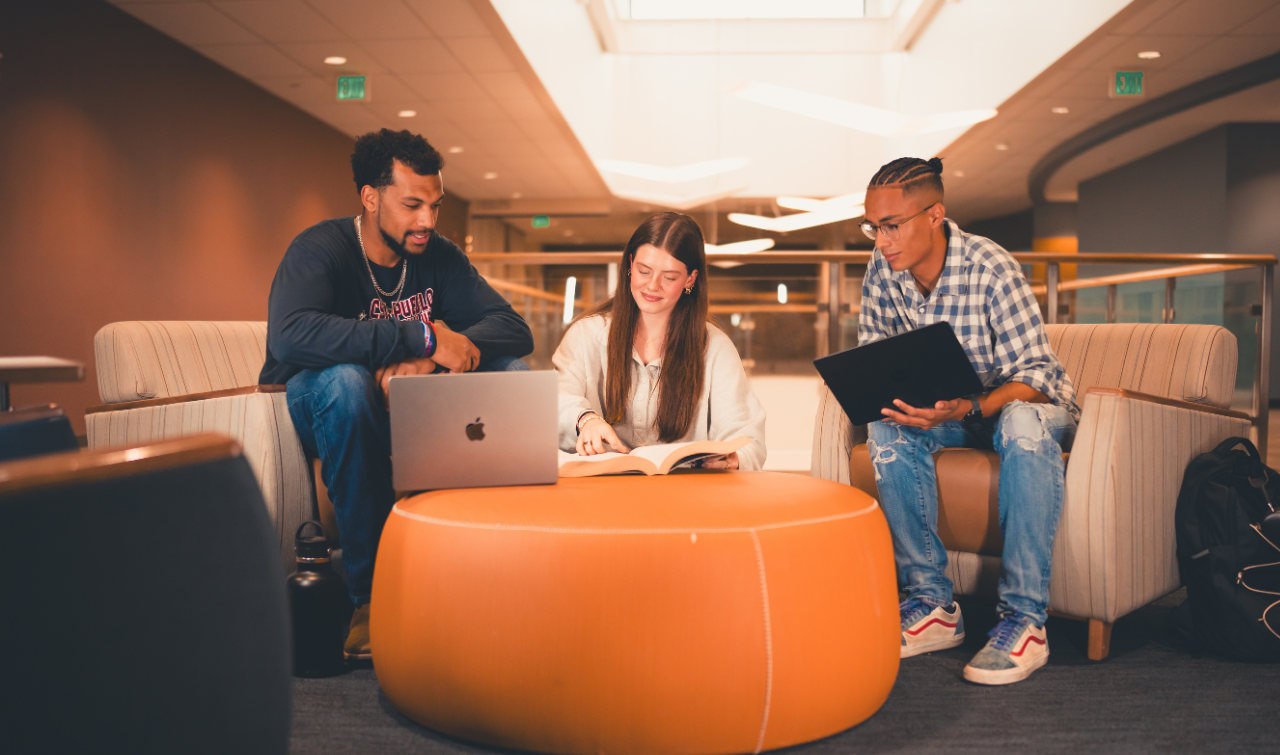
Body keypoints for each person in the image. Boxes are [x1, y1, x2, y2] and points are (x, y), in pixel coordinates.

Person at [260, 129, 534, 661]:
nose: (427, 221)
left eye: (434, 205)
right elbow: (292, 334)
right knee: (346, 381)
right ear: (370, 197)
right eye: (412, 205)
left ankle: (505, 574)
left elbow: (513, 326)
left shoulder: (438, 258)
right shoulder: (320, 250)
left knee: (512, 369)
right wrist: (421, 337)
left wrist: (432, 357)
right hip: (320, 398)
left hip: (407, 400)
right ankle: (370, 599)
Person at [857, 157, 1079, 685]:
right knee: (886, 429)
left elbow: (1039, 373)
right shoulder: (882, 271)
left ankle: (1025, 620)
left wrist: (973, 407)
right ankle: (932, 605)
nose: (881, 240)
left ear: (934, 215)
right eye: (872, 226)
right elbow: (876, 355)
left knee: (1020, 424)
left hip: (1023, 407)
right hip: (950, 411)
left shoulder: (990, 267)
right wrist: (898, 398)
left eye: (892, 225)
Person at [555, 212, 766, 470]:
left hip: (683, 497)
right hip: (598, 494)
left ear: (690, 279)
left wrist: (733, 458)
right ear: (630, 265)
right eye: (644, 271)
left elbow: (747, 438)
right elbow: (555, 399)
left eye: (669, 277)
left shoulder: (715, 348)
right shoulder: (586, 334)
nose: (652, 286)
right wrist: (585, 420)